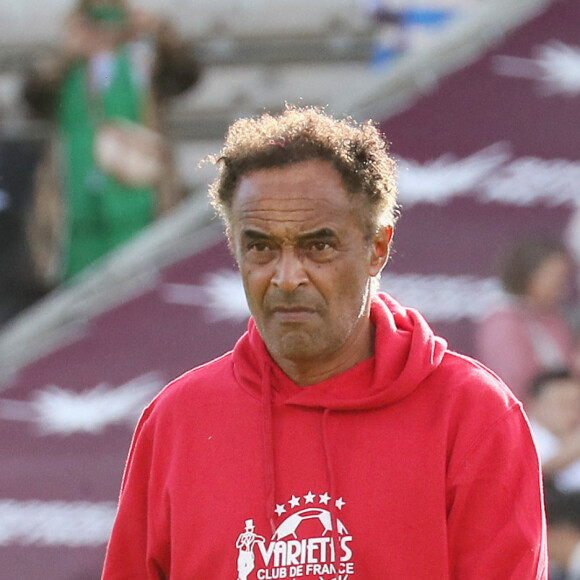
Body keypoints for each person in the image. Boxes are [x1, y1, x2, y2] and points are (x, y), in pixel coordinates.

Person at [101, 106, 547, 578]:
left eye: (319, 245)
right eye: (261, 247)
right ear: (234, 248)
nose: (287, 277)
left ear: (377, 248)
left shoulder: (474, 415)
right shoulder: (176, 421)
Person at [22, 0, 200, 287]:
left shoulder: (146, 54)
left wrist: (158, 31)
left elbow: (186, 74)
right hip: (76, 201)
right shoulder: (71, 60)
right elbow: (32, 98)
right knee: (77, 290)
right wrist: (66, 55)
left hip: (141, 198)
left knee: (139, 283)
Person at [475, 237, 576, 404]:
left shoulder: (555, 320)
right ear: (528, 274)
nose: (562, 286)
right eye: (555, 276)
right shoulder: (503, 323)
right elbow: (510, 387)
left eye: (564, 278)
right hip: (524, 419)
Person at [528, 368, 580, 492]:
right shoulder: (523, 437)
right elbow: (538, 471)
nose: (572, 412)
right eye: (563, 405)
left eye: (576, 405)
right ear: (534, 405)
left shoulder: (572, 434)